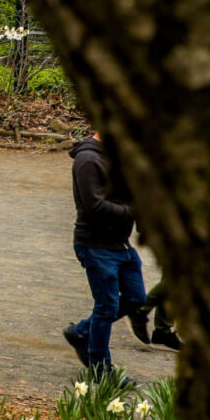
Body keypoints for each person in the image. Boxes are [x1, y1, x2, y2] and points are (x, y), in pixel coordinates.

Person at [63, 131, 146, 379]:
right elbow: (94, 206)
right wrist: (132, 211)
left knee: (136, 297)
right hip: (96, 245)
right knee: (107, 305)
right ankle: (101, 369)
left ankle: (81, 332)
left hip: (120, 245)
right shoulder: (88, 160)